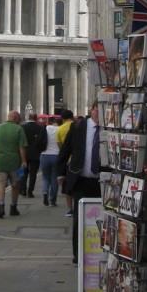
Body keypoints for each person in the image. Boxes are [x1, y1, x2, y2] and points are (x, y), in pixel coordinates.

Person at [58, 101, 103, 264]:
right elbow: (65, 150)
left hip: (103, 182)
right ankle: (78, 255)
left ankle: (100, 251)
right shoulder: (78, 127)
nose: (100, 113)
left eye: (103, 110)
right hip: (81, 180)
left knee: (103, 218)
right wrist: (60, 174)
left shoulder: (110, 128)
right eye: (97, 110)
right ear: (91, 110)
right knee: (79, 219)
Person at [0, 110, 27, 218]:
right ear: (15, 118)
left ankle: (0, 207)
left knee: (0, 184)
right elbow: (22, 147)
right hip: (15, 162)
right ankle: (13, 208)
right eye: (19, 118)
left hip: (0, 161)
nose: (20, 121)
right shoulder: (19, 129)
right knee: (15, 185)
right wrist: (24, 161)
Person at [18, 114, 47, 197]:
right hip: (36, 154)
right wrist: (40, 150)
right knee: (33, 174)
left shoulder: (22, 127)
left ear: (29, 117)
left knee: (22, 172)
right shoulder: (40, 128)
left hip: (23, 154)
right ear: (36, 118)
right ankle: (30, 191)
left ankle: (22, 189)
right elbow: (44, 142)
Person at [56, 108, 75, 215]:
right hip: (78, 161)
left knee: (68, 186)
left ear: (62, 119)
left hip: (67, 161)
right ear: (72, 117)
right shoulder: (79, 127)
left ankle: (69, 209)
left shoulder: (60, 129)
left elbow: (61, 148)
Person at [39, 115, 61, 206]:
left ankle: (45, 193)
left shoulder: (46, 128)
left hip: (44, 155)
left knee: (45, 178)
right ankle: (52, 200)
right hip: (56, 155)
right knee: (54, 179)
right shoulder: (59, 129)